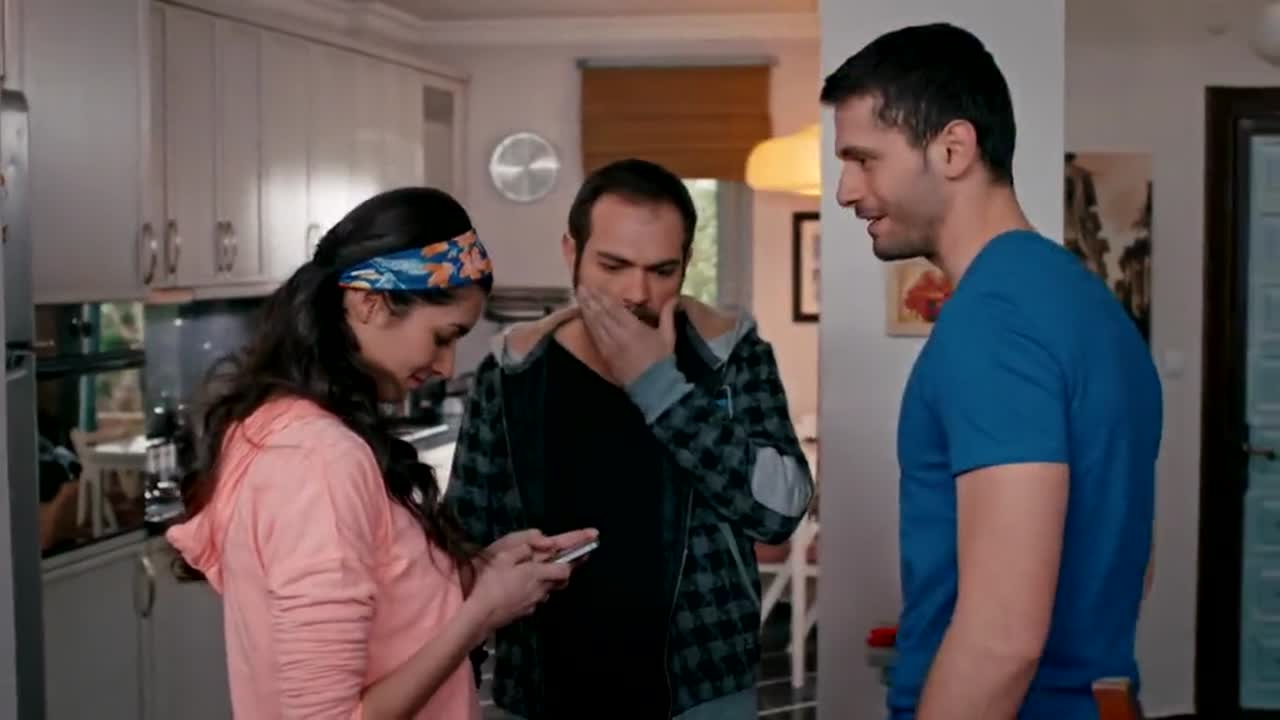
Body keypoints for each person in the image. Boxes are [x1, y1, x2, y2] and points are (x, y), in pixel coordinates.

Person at [820, 23, 1162, 720]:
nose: (845, 190)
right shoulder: (1090, 305)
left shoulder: (993, 321)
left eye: (864, 160)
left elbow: (1003, 640)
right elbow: (1133, 559)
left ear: (952, 148)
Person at [166, 188, 595, 720]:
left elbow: (384, 600)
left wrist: (477, 572)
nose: (446, 366)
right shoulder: (317, 463)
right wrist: (482, 613)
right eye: (442, 337)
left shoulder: (281, 428)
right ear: (369, 303)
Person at [443, 158, 814, 719]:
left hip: (700, 691)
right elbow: (466, 541)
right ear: (571, 252)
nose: (636, 293)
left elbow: (780, 512)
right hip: (542, 690)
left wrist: (658, 384)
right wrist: (455, 683)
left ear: (687, 263)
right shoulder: (513, 371)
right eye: (612, 265)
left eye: (662, 270)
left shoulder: (731, 356)